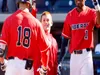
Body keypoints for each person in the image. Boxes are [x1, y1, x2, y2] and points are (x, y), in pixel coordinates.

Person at [0, 0, 50, 75]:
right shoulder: (36, 23)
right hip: (27, 67)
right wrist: (44, 68)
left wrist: (2, 62)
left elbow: (1, 50)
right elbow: (45, 50)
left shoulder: (9, 20)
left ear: (18, 2)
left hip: (12, 65)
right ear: (29, 3)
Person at [61, 0, 100, 75]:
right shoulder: (70, 15)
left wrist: (96, 5)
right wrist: (61, 59)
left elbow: (99, 22)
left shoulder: (91, 12)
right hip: (74, 56)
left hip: (86, 55)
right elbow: (65, 39)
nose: (78, 1)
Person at [32, 11, 58, 75]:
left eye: (48, 20)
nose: (46, 22)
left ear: (51, 23)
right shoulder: (37, 38)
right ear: (40, 23)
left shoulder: (54, 41)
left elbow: (55, 62)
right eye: (43, 20)